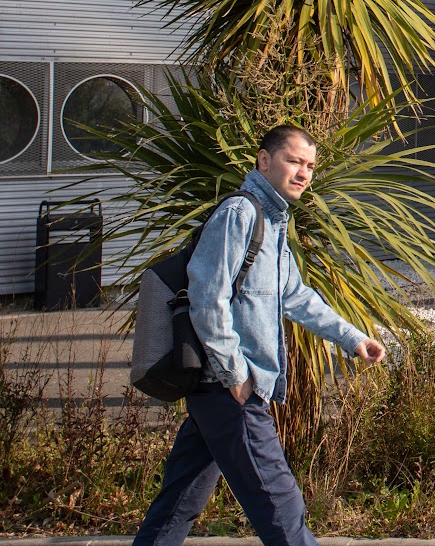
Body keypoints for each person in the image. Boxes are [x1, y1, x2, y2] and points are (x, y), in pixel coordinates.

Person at [132, 124, 386, 546]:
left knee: (180, 501)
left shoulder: (272, 221)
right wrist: (235, 376)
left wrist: (352, 338)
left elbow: (294, 295)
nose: (303, 172)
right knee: (281, 507)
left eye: (309, 166)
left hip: (219, 392)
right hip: (228, 388)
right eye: (294, 161)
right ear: (264, 161)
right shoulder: (240, 215)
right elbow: (207, 298)